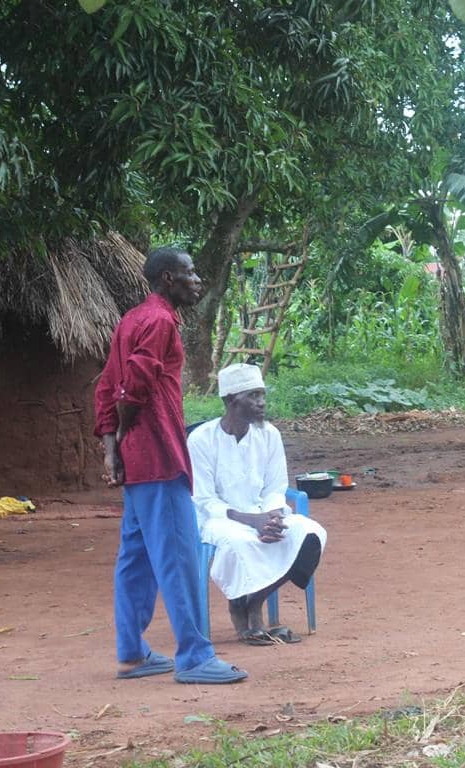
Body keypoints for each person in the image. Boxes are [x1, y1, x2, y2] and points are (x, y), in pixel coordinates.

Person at [94, 246, 247, 684]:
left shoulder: (130, 320)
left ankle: (133, 654)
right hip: (159, 456)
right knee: (180, 556)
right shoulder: (160, 321)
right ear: (167, 279)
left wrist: (112, 450)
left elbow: (106, 386)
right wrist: (124, 433)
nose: (196, 279)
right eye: (189, 272)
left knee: (137, 558)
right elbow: (131, 388)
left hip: (137, 464)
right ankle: (195, 657)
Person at [188, 362, 326, 646]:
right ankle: (238, 606)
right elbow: (204, 500)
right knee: (239, 543)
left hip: (265, 513)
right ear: (230, 400)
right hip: (220, 521)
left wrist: (272, 517)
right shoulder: (201, 440)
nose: (261, 403)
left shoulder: (269, 435)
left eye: (262, 395)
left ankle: (253, 602)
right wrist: (254, 522)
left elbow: (276, 487)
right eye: (252, 396)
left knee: (310, 534)